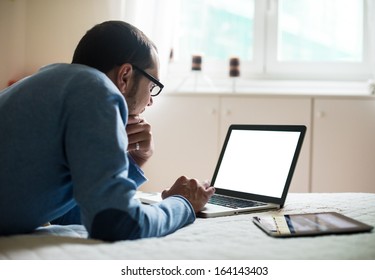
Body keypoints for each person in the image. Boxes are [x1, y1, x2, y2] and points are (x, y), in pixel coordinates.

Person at [0, 21, 215, 241]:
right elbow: (118, 223)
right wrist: (183, 202)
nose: (150, 101)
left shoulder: (46, 84)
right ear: (124, 76)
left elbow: (68, 214)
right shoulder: (97, 90)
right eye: (152, 87)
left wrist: (135, 160)